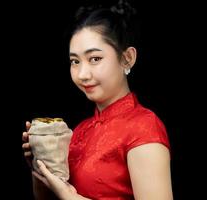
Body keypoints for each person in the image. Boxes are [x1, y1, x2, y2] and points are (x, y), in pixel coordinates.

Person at [22, 0, 173, 199]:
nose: (82, 74)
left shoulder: (144, 128)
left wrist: (70, 196)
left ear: (127, 58)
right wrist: (42, 168)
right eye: (75, 61)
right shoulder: (78, 132)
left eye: (95, 59)